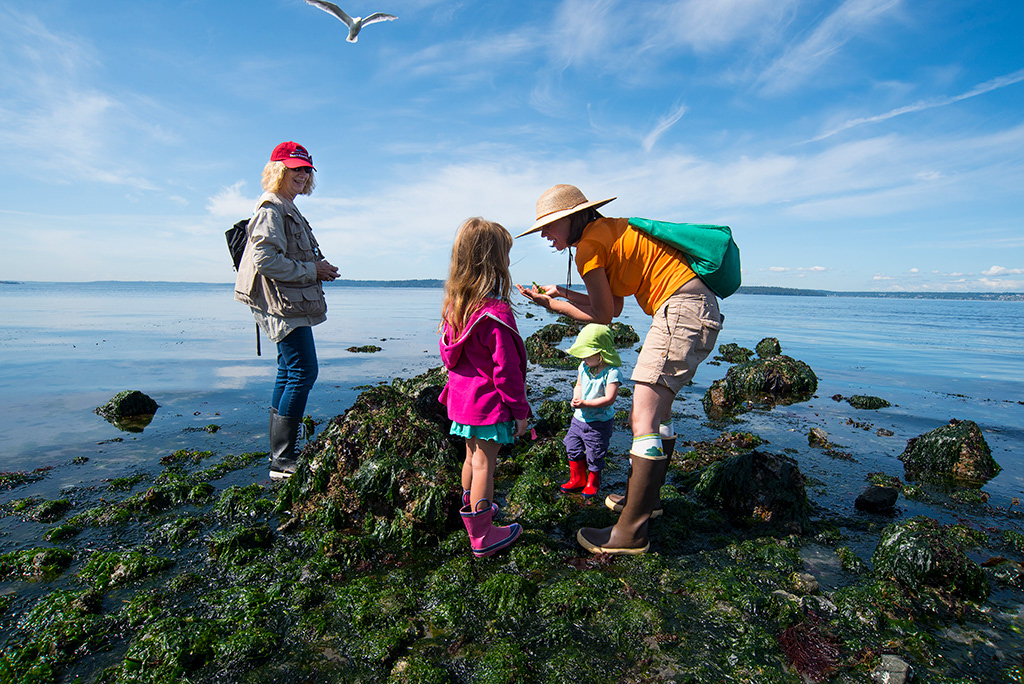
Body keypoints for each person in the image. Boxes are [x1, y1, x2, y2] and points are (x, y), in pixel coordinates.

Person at [516, 184, 723, 555]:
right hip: (695, 306)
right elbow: (612, 305)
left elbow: (601, 317)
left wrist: (551, 306)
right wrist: (562, 293)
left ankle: (630, 533)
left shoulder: (589, 248)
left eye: (548, 226)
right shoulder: (609, 230)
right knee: (658, 414)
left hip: (680, 309)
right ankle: (647, 503)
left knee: (641, 419)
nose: (544, 234)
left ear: (569, 219)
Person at [234, 141, 339, 480]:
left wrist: (317, 267)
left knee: (289, 371)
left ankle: (280, 455)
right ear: (279, 170)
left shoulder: (286, 207)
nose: (302, 174)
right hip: (282, 305)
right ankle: (282, 460)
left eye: (306, 169)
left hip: (288, 302)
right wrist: (314, 271)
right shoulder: (271, 209)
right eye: (296, 168)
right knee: (302, 371)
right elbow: (265, 260)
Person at [439, 217, 529, 558]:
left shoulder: (455, 308)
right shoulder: (495, 313)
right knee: (484, 466)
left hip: (461, 403)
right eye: (505, 254)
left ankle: (471, 511)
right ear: (494, 261)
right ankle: (482, 534)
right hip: (488, 406)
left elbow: (451, 360)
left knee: (470, 458)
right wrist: (520, 412)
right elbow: (507, 373)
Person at [559, 324, 622, 499]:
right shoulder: (583, 367)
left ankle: (593, 482)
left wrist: (585, 403)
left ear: (601, 354)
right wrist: (576, 398)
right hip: (578, 419)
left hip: (598, 423)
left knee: (595, 452)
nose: (583, 358)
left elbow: (609, 399)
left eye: (586, 355)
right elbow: (578, 384)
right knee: (572, 446)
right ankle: (577, 478)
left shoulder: (612, 373)